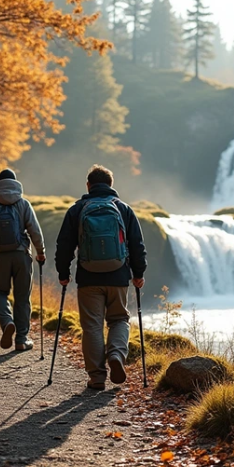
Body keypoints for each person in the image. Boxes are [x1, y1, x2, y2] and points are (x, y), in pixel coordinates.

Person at [55, 164, 147, 390]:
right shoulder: (123, 209)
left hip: (88, 278)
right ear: (111, 185)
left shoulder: (77, 209)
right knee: (119, 319)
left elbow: (64, 245)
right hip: (118, 276)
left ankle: (97, 377)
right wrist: (138, 273)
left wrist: (63, 273)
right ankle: (116, 355)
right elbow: (137, 244)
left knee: (92, 326)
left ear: (88, 185)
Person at [0, 169, 46, 352]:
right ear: (15, 183)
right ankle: (21, 340)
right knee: (22, 297)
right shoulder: (23, 203)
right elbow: (35, 230)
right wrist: (40, 252)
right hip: (22, 255)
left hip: (0, 256)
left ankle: (7, 322)